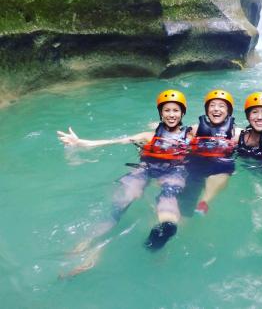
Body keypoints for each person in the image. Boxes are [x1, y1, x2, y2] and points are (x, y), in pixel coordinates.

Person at [57, 89, 192, 275]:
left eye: (175, 110)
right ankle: (88, 245)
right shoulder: (148, 136)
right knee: (122, 201)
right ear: (161, 113)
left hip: (173, 171)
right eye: (167, 110)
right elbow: (115, 141)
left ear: (182, 113)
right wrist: (82, 143)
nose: (171, 114)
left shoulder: (190, 138)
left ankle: (165, 229)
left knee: (169, 196)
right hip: (146, 168)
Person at [186, 89, 241, 215]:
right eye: (212, 105)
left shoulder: (236, 133)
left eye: (221, 106)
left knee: (222, 172)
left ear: (228, 111)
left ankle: (204, 201)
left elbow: (255, 138)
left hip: (221, 164)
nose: (216, 109)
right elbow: (176, 132)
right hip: (197, 162)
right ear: (207, 110)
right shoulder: (195, 129)